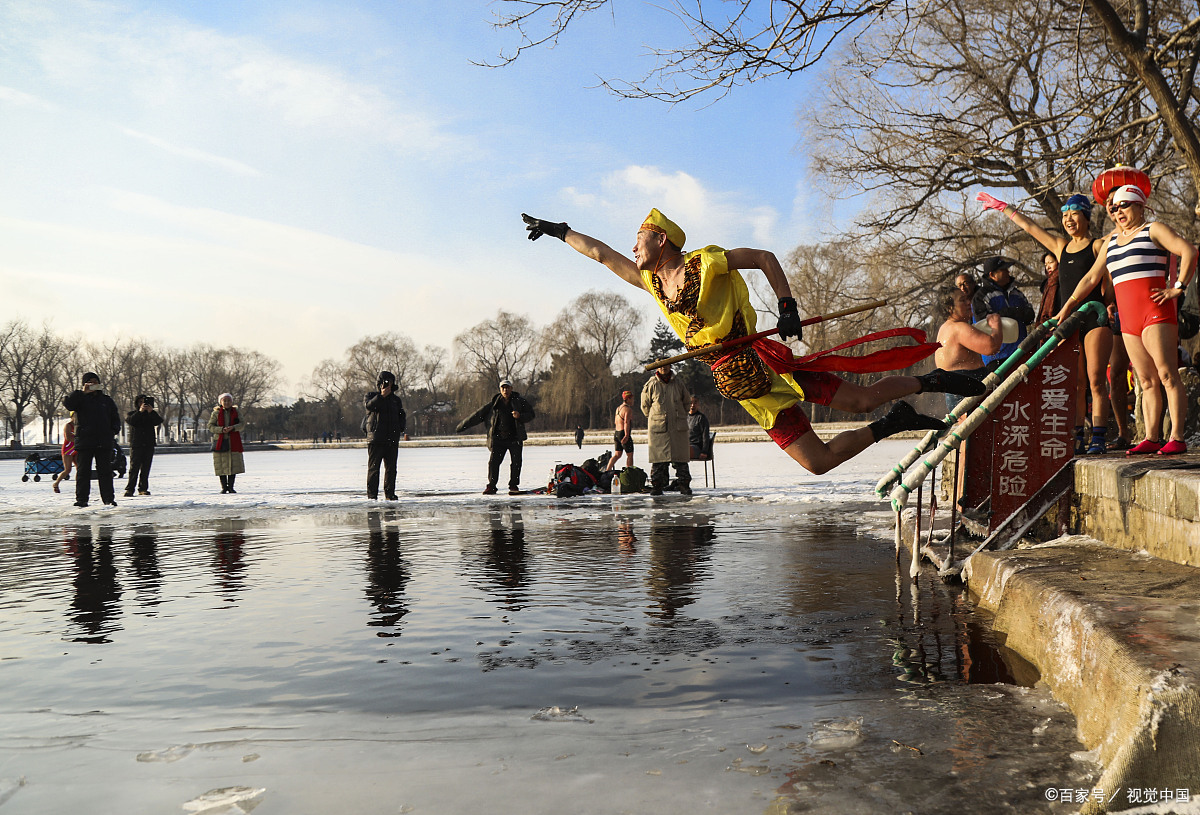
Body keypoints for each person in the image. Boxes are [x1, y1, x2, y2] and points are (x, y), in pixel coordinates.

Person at [522, 209, 984, 475]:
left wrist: (786, 306)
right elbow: (603, 256)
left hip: (765, 360)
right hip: (744, 388)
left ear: (661, 238)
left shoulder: (707, 262)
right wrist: (561, 232)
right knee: (817, 463)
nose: (634, 247)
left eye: (639, 238)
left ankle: (928, 382)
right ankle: (896, 422)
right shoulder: (654, 287)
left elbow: (763, 257)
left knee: (860, 401)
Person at [1055, 184, 1198, 455]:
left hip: (1156, 312)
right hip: (1128, 318)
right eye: (1114, 207)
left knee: (1167, 373)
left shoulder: (1153, 229)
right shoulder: (1109, 241)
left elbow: (1189, 251)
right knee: (1146, 380)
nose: (1119, 211)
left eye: (1125, 205)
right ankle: (1152, 437)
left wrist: (1178, 286)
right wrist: (1069, 306)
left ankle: (1177, 436)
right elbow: (1090, 278)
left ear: (1141, 206)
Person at [978, 192, 1116, 453]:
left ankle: (1098, 436)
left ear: (1086, 217)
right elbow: (1030, 227)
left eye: (1074, 214)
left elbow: (1118, 236)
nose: (1068, 219)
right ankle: (1076, 436)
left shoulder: (1098, 246)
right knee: (1076, 384)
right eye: (1065, 215)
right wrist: (1004, 208)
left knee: (1096, 380)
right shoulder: (1060, 247)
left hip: (1094, 318)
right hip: (1069, 321)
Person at [456, 379, 535, 495]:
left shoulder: (519, 402)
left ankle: (513, 485)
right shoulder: (494, 404)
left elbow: (531, 414)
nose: (505, 390)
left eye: (507, 388)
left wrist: (520, 416)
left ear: (511, 389)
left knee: (516, 463)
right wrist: (461, 427)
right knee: (493, 462)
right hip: (498, 439)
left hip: (515, 438)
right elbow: (477, 416)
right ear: (500, 390)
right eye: (503, 388)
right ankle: (491, 486)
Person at [934, 289, 1002, 415]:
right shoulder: (958, 328)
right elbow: (992, 347)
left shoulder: (945, 328)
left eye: (967, 299)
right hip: (966, 392)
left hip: (958, 391)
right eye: (962, 300)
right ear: (950, 308)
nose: (968, 302)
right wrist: (996, 325)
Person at [62, 372, 121, 508]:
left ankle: (108, 499)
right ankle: (82, 499)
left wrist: (112, 431)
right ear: (84, 384)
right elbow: (68, 404)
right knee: (83, 472)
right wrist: (82, 393)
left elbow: (115, 418)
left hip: (103, 441)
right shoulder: (80, 399)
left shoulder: (106, 400)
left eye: (96, 382)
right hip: (85, 441)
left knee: (105, 472)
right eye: (90, 382)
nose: (94, 385)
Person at [971, 256, 1035, 368]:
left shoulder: (1017, 293)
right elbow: (983, 324)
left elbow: (1030, 316)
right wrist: (1010, 313)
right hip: (997, 358)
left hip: (1022, 351)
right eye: (1003, 269)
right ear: (992, 275)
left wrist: (1008, 313)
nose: (1008, 272)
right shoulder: (980, 297)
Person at [640, 363, 692, 495]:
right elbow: (645, 406)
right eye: (661, 366)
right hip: (659, 429)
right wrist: (655, 417)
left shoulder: (678, 383)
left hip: (677, 427)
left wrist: (680, 415)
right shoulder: (651, 384)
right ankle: (657, 486)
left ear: (670, 367)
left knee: (681, 460)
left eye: (666, 365)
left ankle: (684, 485)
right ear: (657, 368)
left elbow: (687, 402)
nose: (664, 368)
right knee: (659, 461)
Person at [363, 370, 406, 500]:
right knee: (374, 469)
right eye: (386, 382)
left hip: (392, 439)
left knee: (391, 469)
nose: (388, 385)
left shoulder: (395, 400)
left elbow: (401, 415)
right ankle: (372, 496)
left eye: (391, 383)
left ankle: (390, 494)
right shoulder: (370, 396)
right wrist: (381, 396)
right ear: (380, 383)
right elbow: (369, 406)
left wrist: (400, 428)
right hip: (376, 439)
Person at [124, 394, 163, 496]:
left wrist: (151, 411)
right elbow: (131, 421)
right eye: (141, 402)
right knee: (134, 468)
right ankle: (130, 488)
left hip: (148, 444)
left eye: (145, 402)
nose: (143, 404)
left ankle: (143, 488)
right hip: (136, 443)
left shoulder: (151, 414)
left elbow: (158, 421)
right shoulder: (133, 414)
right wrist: (140, 411)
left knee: (146, 468)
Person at [208, 393, 245, 493]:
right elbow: (210, 426)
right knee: (221, 466)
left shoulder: (236, 412)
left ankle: (231, 487)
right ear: (221, 402)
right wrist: (221, 429)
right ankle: (224, 487)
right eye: (225, 401)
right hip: (220, 442)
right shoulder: (215, 413)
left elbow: (242, 424)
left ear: (232, 402)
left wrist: (233, 428)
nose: (227, 402)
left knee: (233, 466)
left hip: (234, 441)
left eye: (229, 400)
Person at [605, 390, 636, 472]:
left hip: (617, 433)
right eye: (632, 399)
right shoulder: (627, 409)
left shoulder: (618, 408)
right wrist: (626, 435)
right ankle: (629, 473)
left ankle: (607, 471)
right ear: (628, 399)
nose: (633, 401)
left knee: (617, 455)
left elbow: (616, 421)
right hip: (623, 433)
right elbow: (626, 422)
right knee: (630, 455)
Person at [52, 413, 76, 493]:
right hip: (68, 450)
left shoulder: (80, 425)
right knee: (67, 470)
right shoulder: (68, 425)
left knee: (80, 469)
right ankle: (56, 483)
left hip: (77, 449)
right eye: (75, 416)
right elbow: (68, 438)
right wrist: (79, 439)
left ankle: (79, 486)